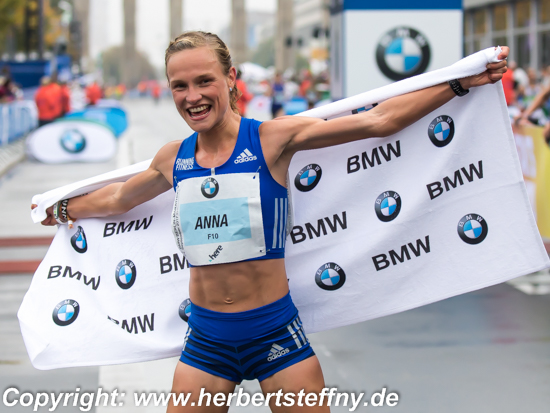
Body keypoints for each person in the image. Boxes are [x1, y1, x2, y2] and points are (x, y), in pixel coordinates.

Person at [33, 31, 508, 412]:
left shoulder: (272, 139)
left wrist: (459, 82)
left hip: (274, 333)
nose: (192, 97)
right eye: (180, 86)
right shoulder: (172, 159)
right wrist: (59, 210)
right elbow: (117, 199)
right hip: (206, 341)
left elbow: (378, 123)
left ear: (231, 79)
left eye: (204, 81)